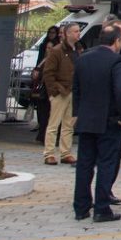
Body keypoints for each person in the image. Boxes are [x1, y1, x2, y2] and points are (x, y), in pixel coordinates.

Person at [71, 23, 121, 222]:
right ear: (116, 41)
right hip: (108, 120)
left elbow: (76, 89)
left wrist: (77, 113)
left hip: (86, 120)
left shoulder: (83, 58)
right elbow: (120, 91)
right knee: (106, 164)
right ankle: (102, 208)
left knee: (84, 165)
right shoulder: (116, 61)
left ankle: (81, 207)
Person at [42, 23, 78, 164]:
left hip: (72, 91)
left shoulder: (77, 50)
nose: (78, 34)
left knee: (69, 125)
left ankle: (65, 152)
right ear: (67, 33)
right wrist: (54, 91)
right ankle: (49, 153)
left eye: (78, 31)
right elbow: (48, 72)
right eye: (75, 31)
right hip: (60, 91)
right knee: (53, 124)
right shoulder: (56, 51)